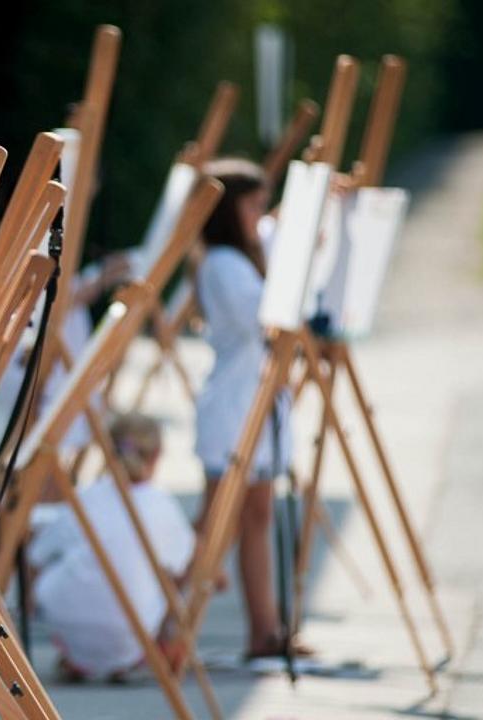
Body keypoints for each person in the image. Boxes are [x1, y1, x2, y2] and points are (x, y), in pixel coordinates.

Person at [187, 157, 296, 662]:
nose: (261, 214)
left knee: (256, 517)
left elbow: (278, 234)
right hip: (232, 411)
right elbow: (269, 317)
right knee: (214, 528)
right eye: (253, 205)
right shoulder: (223, 264)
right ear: (231, 211)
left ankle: (265, 631)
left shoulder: (242, 256)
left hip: (251, 405)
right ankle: (167, 627)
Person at [28, 412, 196, 681]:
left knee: (59, 566)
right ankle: (144, 648)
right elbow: (181, 567)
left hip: (70, 619)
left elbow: (37, 553)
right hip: (132, 630)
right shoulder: (162, 505)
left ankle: (77, 652)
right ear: (156, 457)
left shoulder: (86, 497)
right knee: (169, 577)